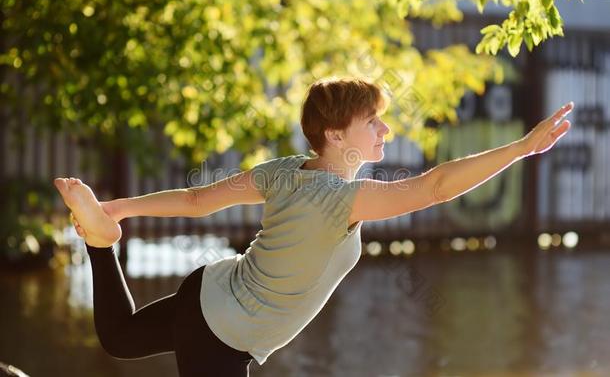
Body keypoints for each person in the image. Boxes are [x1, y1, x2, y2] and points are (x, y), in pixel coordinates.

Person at [54, 77, 573, 376]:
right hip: (219, 333)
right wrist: (523, 147)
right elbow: (435, 187)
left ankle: (101, 243)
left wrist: (118, 209)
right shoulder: (340, 199)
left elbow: (196, 201)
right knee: (120, 340)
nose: (385, 129)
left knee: (119, 339)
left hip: (208, 293)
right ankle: (102, 238)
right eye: (372, 120)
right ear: (333, 133)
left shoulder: (286, 172)